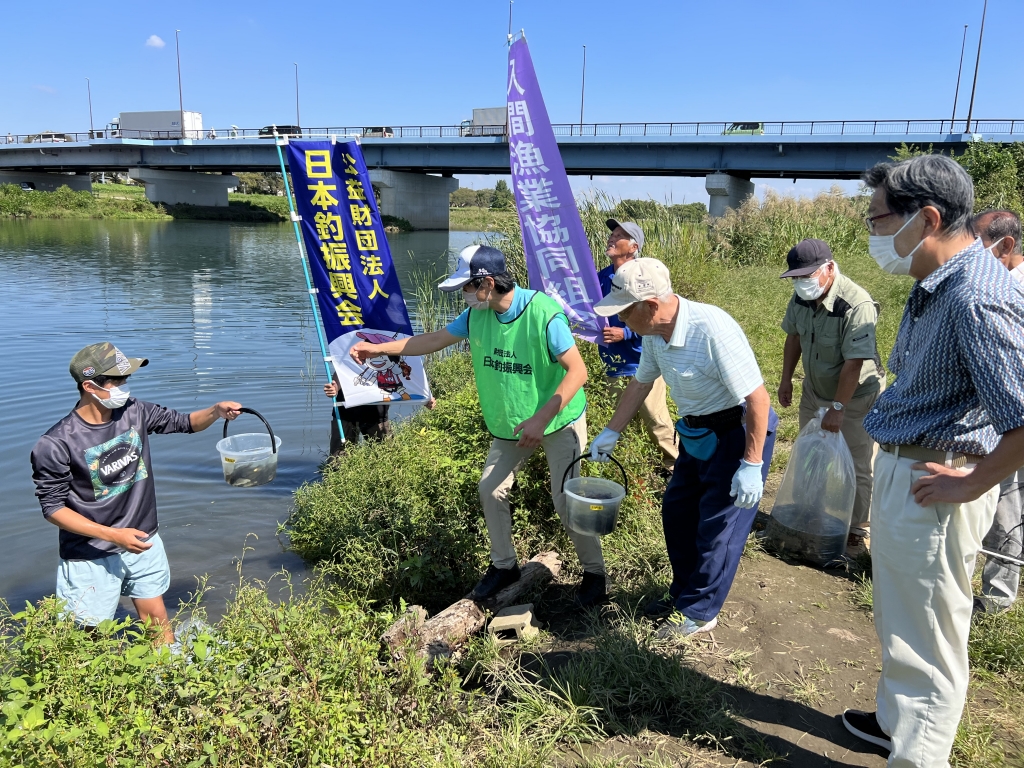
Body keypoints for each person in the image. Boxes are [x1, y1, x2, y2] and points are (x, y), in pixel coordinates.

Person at [841, 155, 1024, 766]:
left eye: (877, 220)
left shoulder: (975, 296)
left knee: (930, 638)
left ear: (925, 218)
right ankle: (896, 723)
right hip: (912, 467)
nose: (871, 235)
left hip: (935, 480)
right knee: (903, 615)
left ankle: (919, 755)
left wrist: (975, 483)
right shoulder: (936, 284)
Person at [349, 244, 606, 607]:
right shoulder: (477, 316)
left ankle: (595, 574)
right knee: (491, 488)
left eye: (467, 288)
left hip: (558, 419)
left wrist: (542, 418)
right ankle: (505, 566)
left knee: (565, 500)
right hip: (512, 424)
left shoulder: (544, 313)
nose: (464, 296)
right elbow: (435, 339)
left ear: (486, 283)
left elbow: (578, 371)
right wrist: (382, 349)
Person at [589, 258, 777, 638]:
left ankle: (700, 611)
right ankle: (683, 593)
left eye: (624, 311)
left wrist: (751, 463)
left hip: (739, 430)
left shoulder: (712, 329)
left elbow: (758, 400)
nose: (619, 320)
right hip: (697, 430)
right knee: (678, 511)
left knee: (718, 525)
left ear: (651, 306)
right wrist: (611, 431)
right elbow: (640, 384)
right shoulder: (654, 334)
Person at [30, 342, 242, 644]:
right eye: (117, 380)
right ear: (89, 386)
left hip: (143, 538)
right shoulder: (56, 443)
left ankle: (170, 674)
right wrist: (113, 535)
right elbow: (52, 509)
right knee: (90, 634)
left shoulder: (134, 411)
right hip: (91, 551)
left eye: (126, 378)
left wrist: (216, 411)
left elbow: (183, 423)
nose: (125, 386)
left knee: (157, 618)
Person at [778, 239, 884, 557]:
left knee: (859, 462)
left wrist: (838, 407)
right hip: (814, 389)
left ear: (829, 268)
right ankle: (809, 516)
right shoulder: (800, 299)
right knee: (810, 453)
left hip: (854, 397)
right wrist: (786, 379)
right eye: (796, 277)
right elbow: (793, 337)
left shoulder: (855, 304)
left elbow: (854, 363)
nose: (801, 283)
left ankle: (857, 531)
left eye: (807, 275)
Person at [971, 209, 1024, 615]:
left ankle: (997, 594)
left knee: (1007, 503)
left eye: (977, 242)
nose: (971, 251)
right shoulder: (987, 282)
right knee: (978, 497)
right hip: (982, 413)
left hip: (1013, 416)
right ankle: (959, 578)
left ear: (1005, 246)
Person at [598, 219, 678, 474]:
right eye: (612, 234)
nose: (612, 238)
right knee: (621, 421)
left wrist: (626, 333)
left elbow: (659, 319)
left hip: (642, 362)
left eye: (620, 236)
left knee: (656, 420)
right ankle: (635, 470)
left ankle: (675, 466)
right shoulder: (601, 276)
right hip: (612, 364)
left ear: (633, 247)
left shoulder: (646, 276)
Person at [324, 372, 390, 456]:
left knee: (385, 456)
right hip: (345, 412)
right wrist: (334, 388)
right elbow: (340, 369)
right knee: (338, 462)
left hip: (376, 413)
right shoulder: (346, 358)